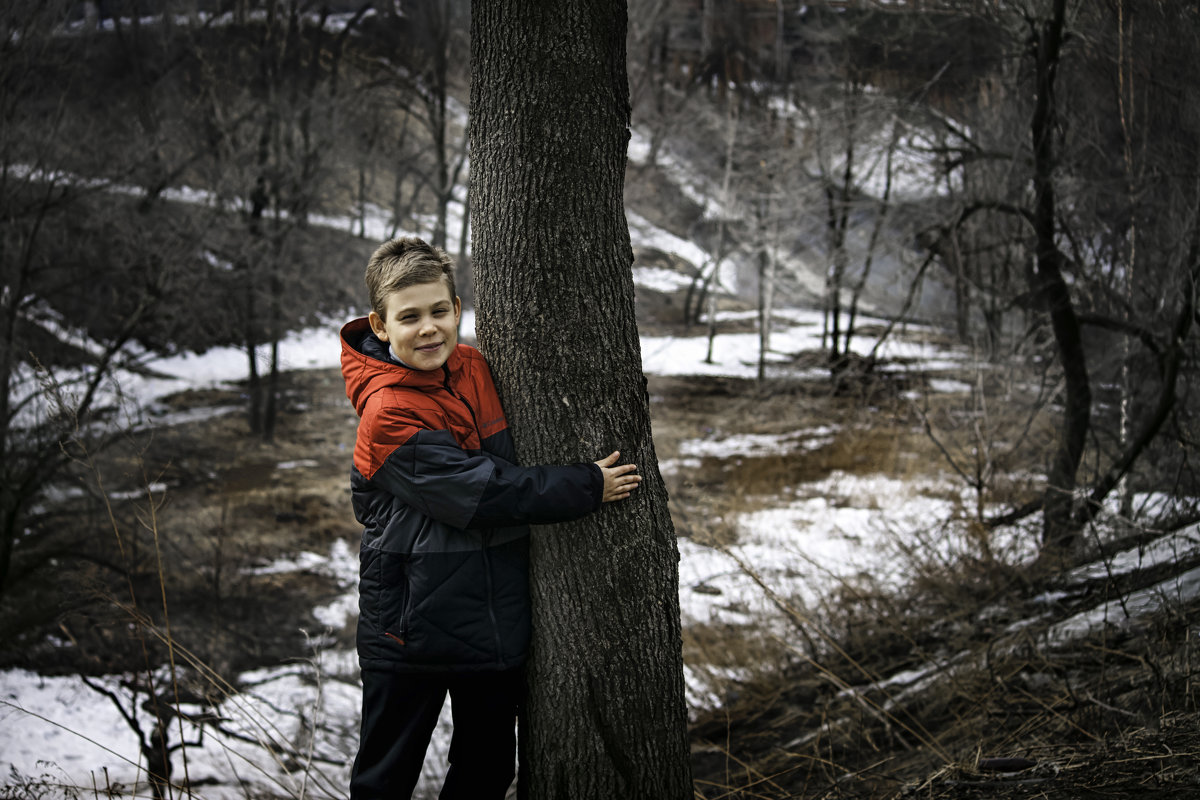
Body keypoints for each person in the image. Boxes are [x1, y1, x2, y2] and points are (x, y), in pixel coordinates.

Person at [339, 236, 640, 799]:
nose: (428, 328)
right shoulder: (387, 414)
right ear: (380, 327)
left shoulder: (475, 367)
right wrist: (586, 484)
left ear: (457, 309)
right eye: (409, 318)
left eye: (437, 311)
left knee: (486, 772)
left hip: (493, 622)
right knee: (385, 782)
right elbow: (482, 494)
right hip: (409, 630)